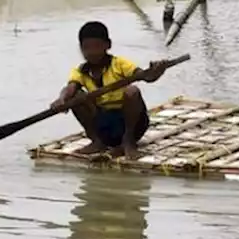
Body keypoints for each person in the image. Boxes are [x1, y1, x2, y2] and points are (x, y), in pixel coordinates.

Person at [50, 21, 168, 159]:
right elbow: (70, 88)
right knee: (76, 97)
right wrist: (61, 99)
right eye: (87, 48)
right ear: (81, 49)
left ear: (108, 45)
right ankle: (97, 141)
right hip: (105, 126)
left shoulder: (119, 64)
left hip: (131, 124)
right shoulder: (80, 71)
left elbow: (146, 76)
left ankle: (128, 142)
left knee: (132, 91)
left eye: (97, 47)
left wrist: (156, 71)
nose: (92, 52)